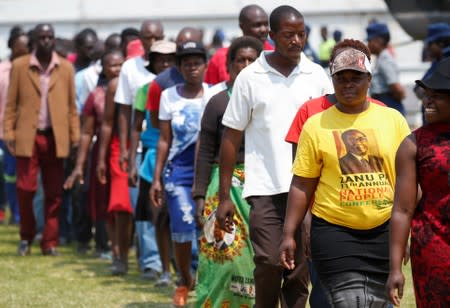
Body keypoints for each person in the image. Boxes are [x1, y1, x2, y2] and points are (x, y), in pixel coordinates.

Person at [217, 6, 332, 307]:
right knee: (269, 261)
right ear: (271, 36)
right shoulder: (251, 77)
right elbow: (231, 136)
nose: (296, 40)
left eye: (301, 33)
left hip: (309, 188)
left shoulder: (317, 75)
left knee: (298, 271)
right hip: (266, 188)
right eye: (288, 35)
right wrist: (224, 196)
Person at [280, 43, 410, 307]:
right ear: (332, 80)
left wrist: (406, 232)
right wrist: (289, 233)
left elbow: (406, 181)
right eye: (341, 78)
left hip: (384, 230)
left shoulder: (393, 119)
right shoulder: (316, 125)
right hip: (334, 231)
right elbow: (302, 183)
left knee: (378, 302)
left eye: (356, 78)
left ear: (369, 80)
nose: (348, 84)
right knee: (347, 301)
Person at [193, 36, 263, 307]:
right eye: (240, 60)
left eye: (252, 60)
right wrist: (199, 195)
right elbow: (205, 151)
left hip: (260, 187)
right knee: (223, 257)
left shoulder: (269, 100)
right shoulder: (217, 102)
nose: (245, 65)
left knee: (257, 257)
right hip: (222, 187)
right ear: (229, 64)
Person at [4, 23, 80, 256]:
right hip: (28, 136)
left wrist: (75, 135)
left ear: (54, 40)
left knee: (54, 192)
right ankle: (26, 237)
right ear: (35, 40)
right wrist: (8, 132)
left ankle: (50, 241)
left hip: (55, 138)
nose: (47, 40)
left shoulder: (66, 68)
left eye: (50, 37)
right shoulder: (20, 66)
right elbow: (11, 103)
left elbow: (70, 106)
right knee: (25, 189)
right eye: (42, 37)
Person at [149, 41, 210, 307]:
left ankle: (208, 283)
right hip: (178, 172)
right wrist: (156, 178)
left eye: (197, 63)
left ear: (205, 66)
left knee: (208, 229)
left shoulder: (214, 94)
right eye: (186, 63)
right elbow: (164, 139)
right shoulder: (168, 96)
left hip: (208, 171)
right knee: (184, 228)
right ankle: (184, 280)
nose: (192, 68)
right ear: (179, 67)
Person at [386, 58, 450, 308]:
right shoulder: (413, 144)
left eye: (437, 96)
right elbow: (402, 209)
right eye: (427, 95)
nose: (428, 101)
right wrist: (395, 269)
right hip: (433, 248)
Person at [115, 20, 164, 279]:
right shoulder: (130, 69)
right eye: (148, 36)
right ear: (141, 40)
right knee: (144, 203)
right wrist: (126, 149)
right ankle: (151, 261)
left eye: (158, 36)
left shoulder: (173, 67)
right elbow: (125, 111)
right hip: (142, 145)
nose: (153, 41)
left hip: (169, 147)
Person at [64, 50, 124, 259]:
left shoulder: (133, 91)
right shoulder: (96, 95)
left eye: (120, 64)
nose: (116, 69)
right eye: (112, 65)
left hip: (125, 150)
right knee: (102, 201)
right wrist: (80, 165)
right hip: (102, 152)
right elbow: (87, 132)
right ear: (104, 69)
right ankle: (104, 244)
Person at [128, 40, 177, 286]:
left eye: (169, 59)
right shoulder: (145, 90)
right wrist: (132, 161)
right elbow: (137, 126)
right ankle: (156, 265)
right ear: (153, 63)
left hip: (180, 156)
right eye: (160, 59)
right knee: (154, 216)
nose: (165, 64)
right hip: (151, 155)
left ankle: (186, 267)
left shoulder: (187, 88)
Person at [145, 27, 203, 129]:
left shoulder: (211, 74)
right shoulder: (159, 83)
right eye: (180, 46)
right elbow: (156, 122)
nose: (186, 50)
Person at [0, 26, 29, 225]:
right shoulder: (3, 70)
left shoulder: (31, 69)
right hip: (4, 132)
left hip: (27, 131)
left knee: (26, 174)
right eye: (20, 48)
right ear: (11, 46)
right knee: (9, 174)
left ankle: (24, 213)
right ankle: (14, 211)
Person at [204, 4, 273, 85]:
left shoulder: (273, 54)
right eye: (257, 25)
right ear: (242, 26)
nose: (263, 29)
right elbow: (211, 92)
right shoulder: (220, 57)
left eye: (266, 24)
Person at [367, 22, 406, 115]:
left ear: (378, 41)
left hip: (388, 103)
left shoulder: (384, 59)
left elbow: (396, 87)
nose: (368, 44)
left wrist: (396, 99)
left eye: (370, 40)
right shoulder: (380, 58)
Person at [414, 22, 450, 124]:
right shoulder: (437, 61)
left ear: (441, 43)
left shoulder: (446, 63)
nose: (428, 48)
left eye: (430, 44)